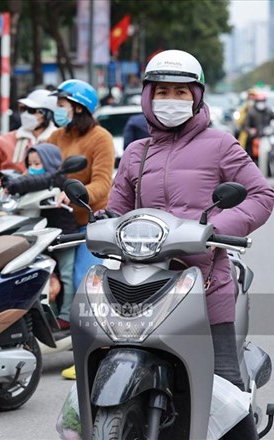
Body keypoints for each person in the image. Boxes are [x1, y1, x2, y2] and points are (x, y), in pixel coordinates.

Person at [109, 49, 274, 439]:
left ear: (196, 96)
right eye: (162, 90)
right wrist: (102, 225)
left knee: (227, 401)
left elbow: (261, 196)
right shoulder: (136, 152)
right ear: (148, 96)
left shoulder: (220, 144)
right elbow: (115, 210)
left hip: (205, 286)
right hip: (143, 286)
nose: (171, 99)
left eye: (181, 91)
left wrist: (214, 228)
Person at [49, 79, 114, 380]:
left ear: (77, 107)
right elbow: (42, 169)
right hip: (55, 221)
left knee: (84, 286)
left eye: (61, 104)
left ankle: (91, 355)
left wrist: (75, 194)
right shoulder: (56, 136)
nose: (57, 110)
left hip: (88, 223)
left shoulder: (100, 138)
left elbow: (103, 184)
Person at [3, 143, 78, 311]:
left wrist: (12, 185)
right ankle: (49, 315)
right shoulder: (33, 181)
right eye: (30, 164)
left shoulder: (57, 178)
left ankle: (67, 315)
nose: (32, 168)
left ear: (51, 162)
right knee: (46, 275)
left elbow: (35, 181)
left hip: (63, 235)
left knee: (66, 275)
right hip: (42, 236)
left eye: (37, 164)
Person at [0, 89, 59, 174]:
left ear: (48, 114)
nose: (25, 114)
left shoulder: (59, 140)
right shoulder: (6, 140)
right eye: (23, 109)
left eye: (32, 111)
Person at [244, 93, 274, 160]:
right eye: (260, 101)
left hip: (266, 137)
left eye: (263, 101)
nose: (261, 103)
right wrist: (250, 130)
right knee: (253, 156)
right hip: (255, 138)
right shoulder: (251, 112)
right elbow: (246, 126)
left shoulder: (268, 111)